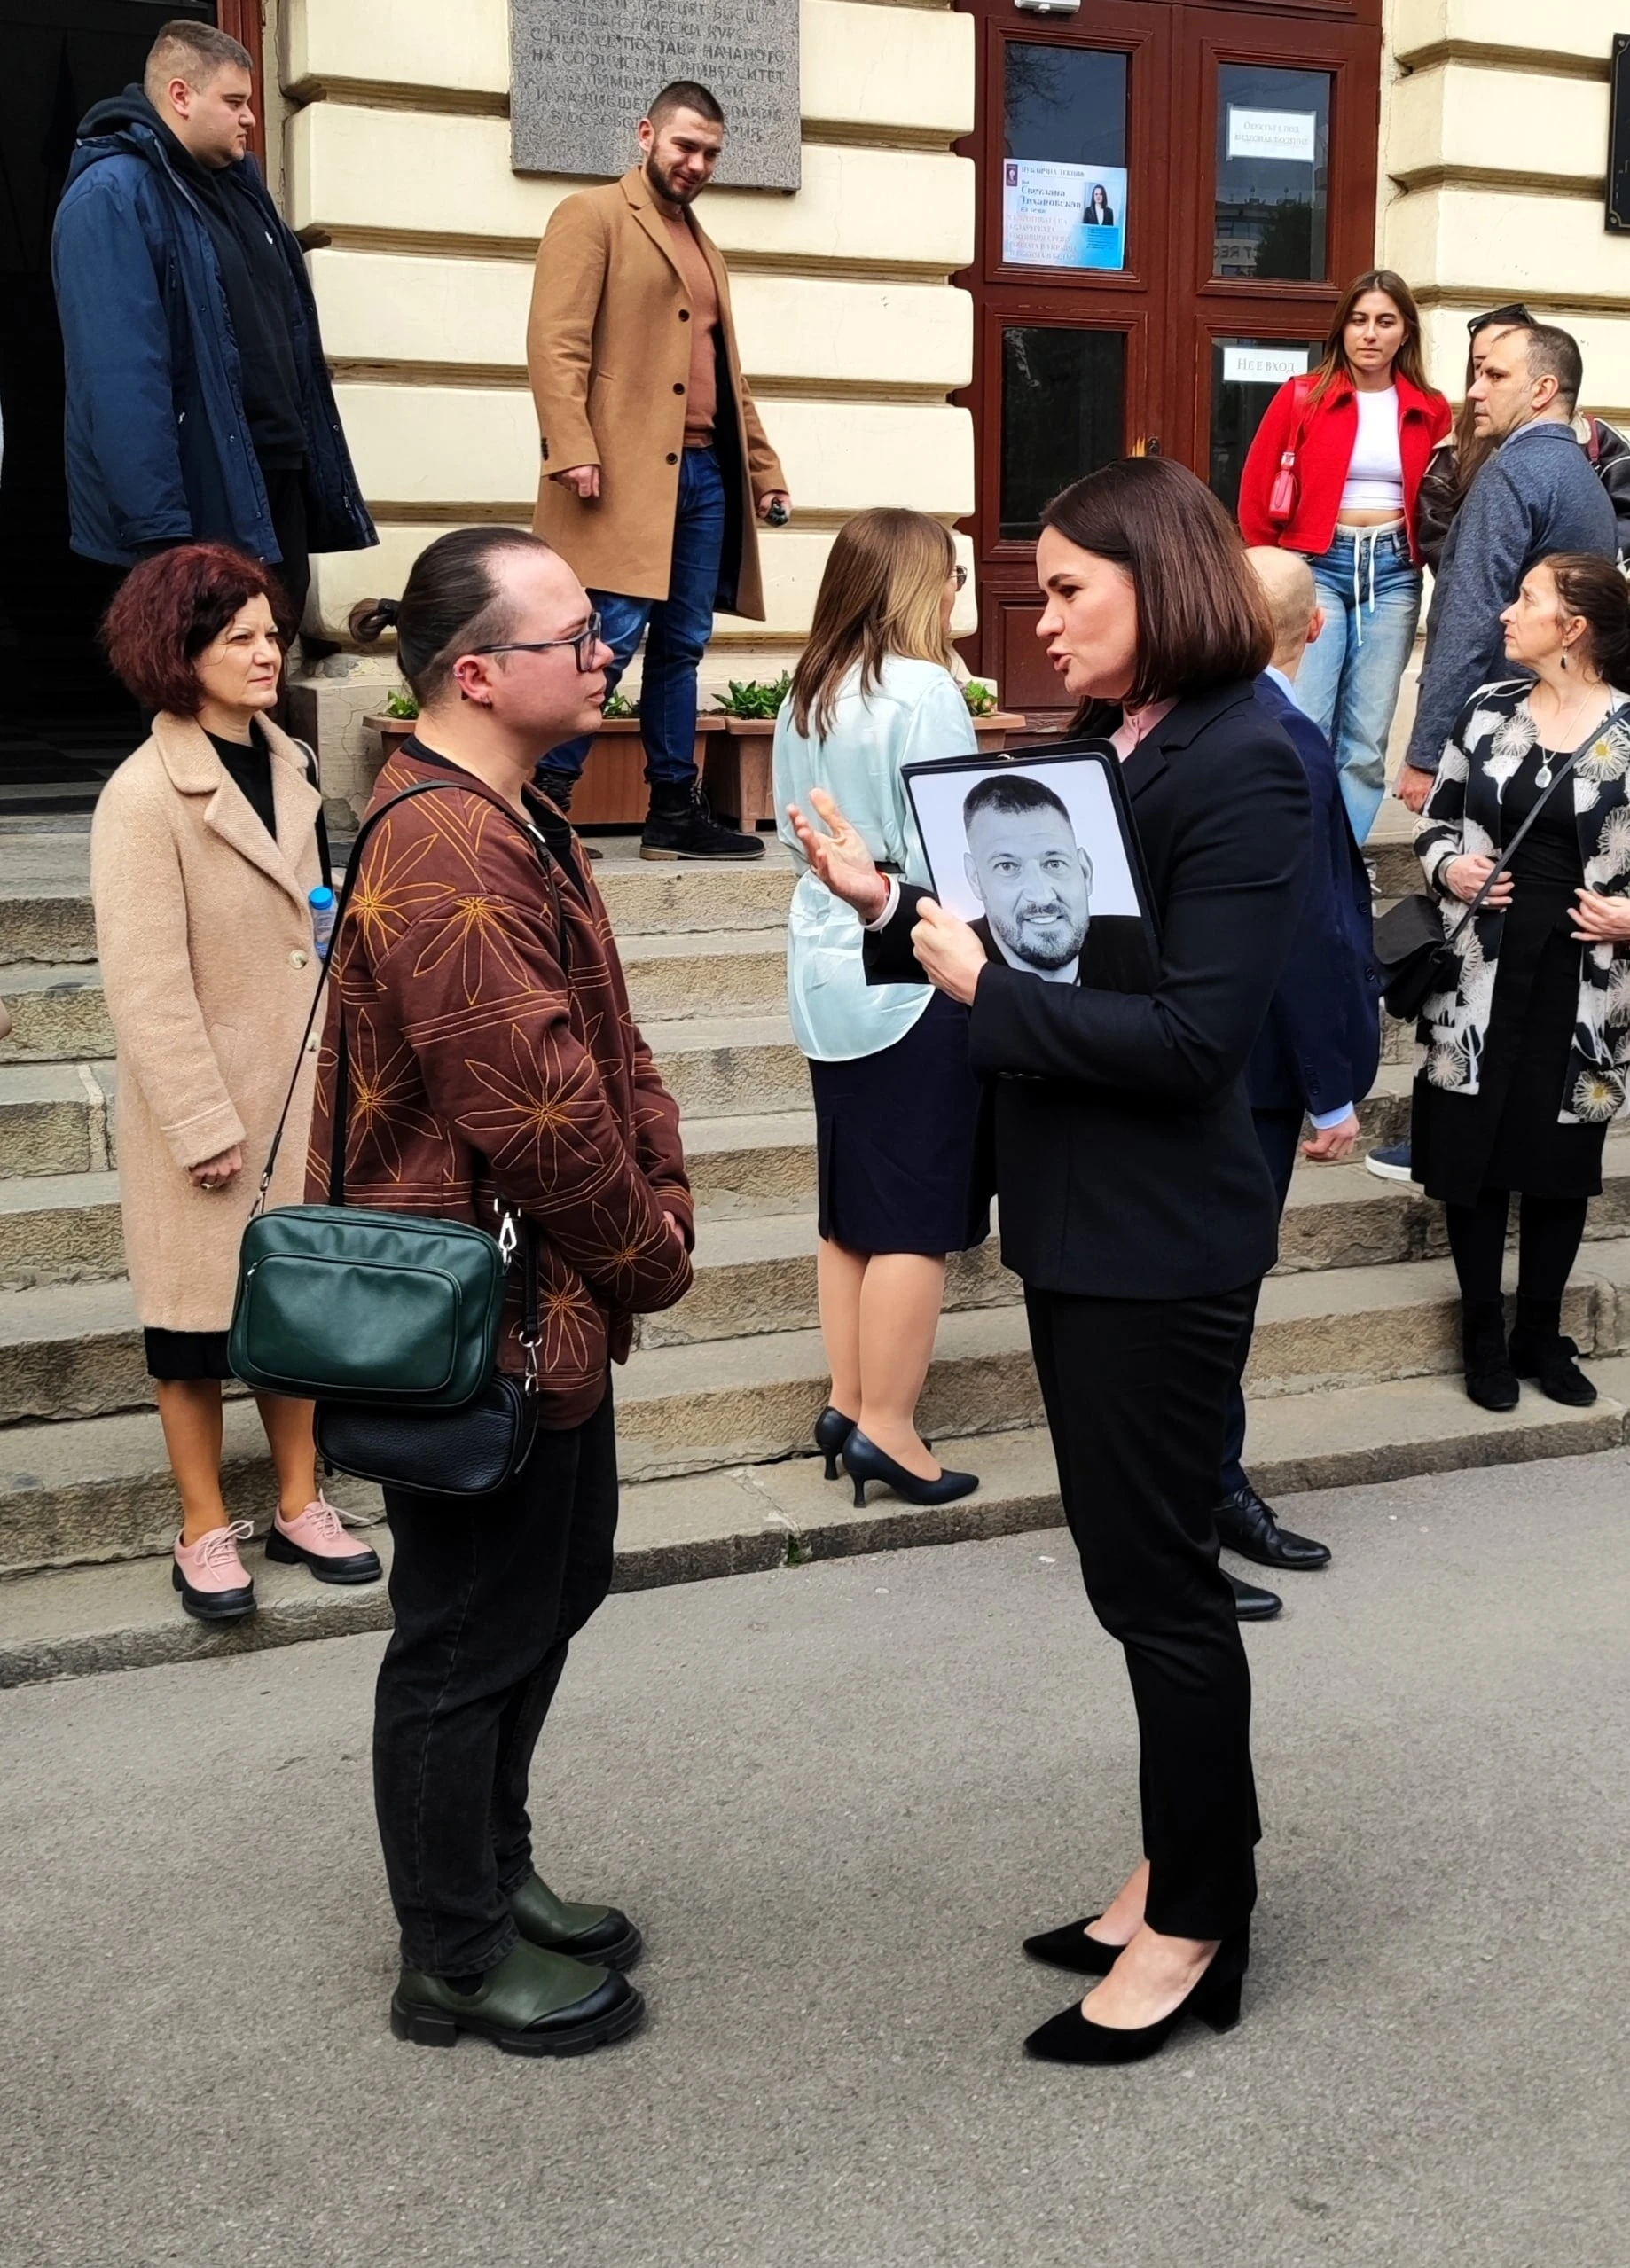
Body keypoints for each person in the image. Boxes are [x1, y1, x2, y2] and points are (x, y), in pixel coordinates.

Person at [789, 458, 1311, 2067]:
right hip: (1084, 1216)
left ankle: (1198, 1913)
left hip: (1160, 1235)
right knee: (1129, 1575)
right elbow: (1042, 936)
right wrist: (888, 900)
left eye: (1071, 587)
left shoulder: (1245, 760)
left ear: (1162, 583)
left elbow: (1190, 1037)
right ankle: (1176, 1856)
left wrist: (978, 991)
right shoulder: (1116, 737)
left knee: (1157, 1589)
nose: (1043, 615)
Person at [338, 528, 694, 2058]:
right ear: (478, 674)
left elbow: (607, 1051)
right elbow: (534, 1107)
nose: (604, 653)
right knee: (463, 1634)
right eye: (573, 636)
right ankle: (453, 1952)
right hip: (484, 1314)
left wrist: (658, 1183)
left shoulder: (516, 812)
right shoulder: (445, 840)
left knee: (543, 1595)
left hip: (547, 1304)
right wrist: (650, 1247)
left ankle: (493, 1865)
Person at [90, 544, 380, 1623]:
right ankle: (202, 1524)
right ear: (181, 651)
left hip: (301, 1088)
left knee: (293, 1310)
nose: (267, 653)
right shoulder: (142, 795)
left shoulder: (289, 761)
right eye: (239, 638)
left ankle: (302, 1500)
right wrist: (200, 1120)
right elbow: (145, 982)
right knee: (191, 1329)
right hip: (205, 1105)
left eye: (271, 634)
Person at [773, 510, 984, 1506]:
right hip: (908, 946)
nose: (954, 592)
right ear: (914, 584)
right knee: (915, 1208)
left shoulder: (806, 687)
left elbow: (795, 835)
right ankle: (890, 1430)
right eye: (949, 575)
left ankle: (848, 1400)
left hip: (822, 957)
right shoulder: (926, 687)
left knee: (850, 1203)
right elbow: (954, 841)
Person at [527, 80, 790, 860]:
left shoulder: (706, 247)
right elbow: (556, 342)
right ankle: (543, 808)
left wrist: (764, 469)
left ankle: (673, 811)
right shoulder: (591, 215)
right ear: (646, 135)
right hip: (620, 476)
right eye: (685, 145)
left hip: (706, 476)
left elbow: (728, 376)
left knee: (683, 646)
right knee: (605, 640)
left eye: (711, 152)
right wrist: (572, 445)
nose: (697, 163)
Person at [51, 19, 374, 626]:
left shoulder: (244, 192)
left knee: (263, 662)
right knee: (197, 673)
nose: (250, 117)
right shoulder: (112, 194)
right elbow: (119, 375)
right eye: (234, 101)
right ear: (181, 95)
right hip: (197, 498)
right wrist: (160, 535)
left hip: (272, 484)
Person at [1411, 554, 1630, 1411]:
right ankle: (1482, 1336)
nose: (1507, 611)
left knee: (1560, 1161)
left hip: (1585, 981)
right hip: (1480, 974)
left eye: (1527, 598)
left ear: (1573, 627)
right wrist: (1450, 868)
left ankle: (1540, 1333)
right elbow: (1434, 823)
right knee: (1475, 1153)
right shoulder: (1487, 710)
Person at [1212, 550, 1382, 1616]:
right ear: (1316, 628)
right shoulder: (1283, 737)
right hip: (1252, 1065)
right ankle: (1205, 1496)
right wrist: (1330, 1084)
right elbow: (1310, 925)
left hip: (1218, 1057)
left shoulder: (1219, 720)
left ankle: (1213, 1485)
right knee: (1220, 1294)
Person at [1239, 270, 1451, 844]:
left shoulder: (1431, 409)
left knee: (1365, 740)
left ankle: (1346, 865)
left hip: (1394, 573)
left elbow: (1441, 498)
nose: (1370, 334)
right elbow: (1256, 493)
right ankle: (1297, 858)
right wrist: (1272, 573)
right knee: (1304, 721)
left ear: (1405, 331)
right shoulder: (1302, 395)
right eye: (1358, 320)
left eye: (1385, 321)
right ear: (1342, 329)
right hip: (1317, 567)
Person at [1418, 304, 1630, 572]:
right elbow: (1436, 535)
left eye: (1498, 373)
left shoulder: (1594, 437)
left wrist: (1588, 569)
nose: (1480, 386)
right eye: (1480, 366)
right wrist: (1476, 572)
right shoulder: (1454, 450)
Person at [960, 773, 1148, 986]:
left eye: (1054, 864)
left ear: (1086, 871)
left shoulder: (1143, 947)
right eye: (1007, 867)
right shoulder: (948, 965)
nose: (1042, 896)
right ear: (975, 879)